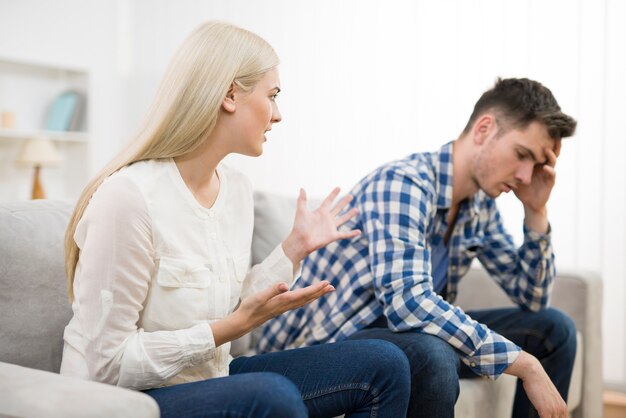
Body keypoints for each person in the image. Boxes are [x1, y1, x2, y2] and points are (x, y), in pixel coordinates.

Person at [59, 21, 411, 418]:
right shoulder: (128, 199)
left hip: (210, 379)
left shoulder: (237, 190)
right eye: (272, 96)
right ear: (230, 95)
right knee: (270, 396)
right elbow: (104, 366)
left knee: (386, 363)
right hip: (119, 402)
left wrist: (293, 250)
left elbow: (231, 304)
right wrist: (231, 328)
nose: (277, 115)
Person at [259, 77, 578, 418]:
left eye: (536, 164)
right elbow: (409, 306)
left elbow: (532, 297)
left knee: (553, 329)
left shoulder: (479, 206)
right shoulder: (405, 183)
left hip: (399, 337)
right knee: (433, 353)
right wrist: (524, 364)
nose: (526, 176)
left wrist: (536, 212)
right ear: (484, 129)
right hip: (328, 343)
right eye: (521, 155)